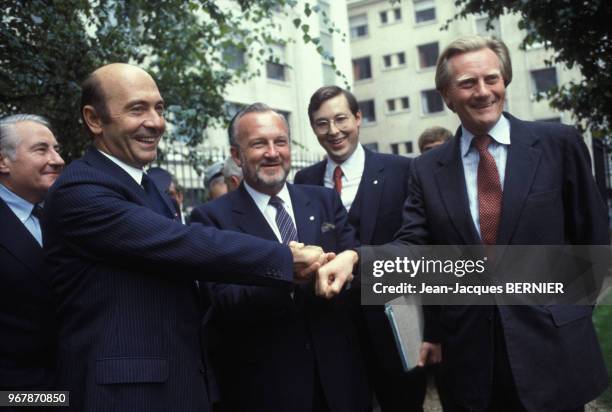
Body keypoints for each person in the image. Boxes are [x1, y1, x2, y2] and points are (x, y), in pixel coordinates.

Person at [322, 35, 609, 412]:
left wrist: (566, 313)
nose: (483, 92)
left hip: (552, 351)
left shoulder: (559, 144)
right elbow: (415, 247)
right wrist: (357, 260)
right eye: (467, 83)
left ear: (505, 80)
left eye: (492, 79)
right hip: (471, 363)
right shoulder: (426, 170)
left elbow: (593, 242)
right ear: (447, 96)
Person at [42, 63, 335, 412]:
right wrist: (285, 259)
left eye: (159, 108)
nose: (155, 122)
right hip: (126, 394)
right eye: (138, 109)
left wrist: (358, 262)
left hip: (179, 383)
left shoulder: (149, 187)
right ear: (94, 119)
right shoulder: (81, 189)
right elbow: (184, 245)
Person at [191, 103, 369, 412]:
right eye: (259, 143)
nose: (273, 152)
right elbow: (221, 300)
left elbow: (359, 274)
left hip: (341, 381)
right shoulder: (212, 218)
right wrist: (286, 274)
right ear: (236, 155)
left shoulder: (324, 200)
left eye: (280, 142)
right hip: (266, 388)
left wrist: (345, 267)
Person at [294, 86, 425, 412]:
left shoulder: (400, 170)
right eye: (322, 123)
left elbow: (419, 243)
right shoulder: (304, 180)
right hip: (335, 329)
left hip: (394, 322)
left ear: (358, 118)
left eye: (341, 119)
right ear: (313, 128)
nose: (334, 131)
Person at [0, 114, 64, 392]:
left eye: (56, 149)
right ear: (3, 161)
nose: (57, 160)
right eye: (41, 149)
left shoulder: (61, 218)